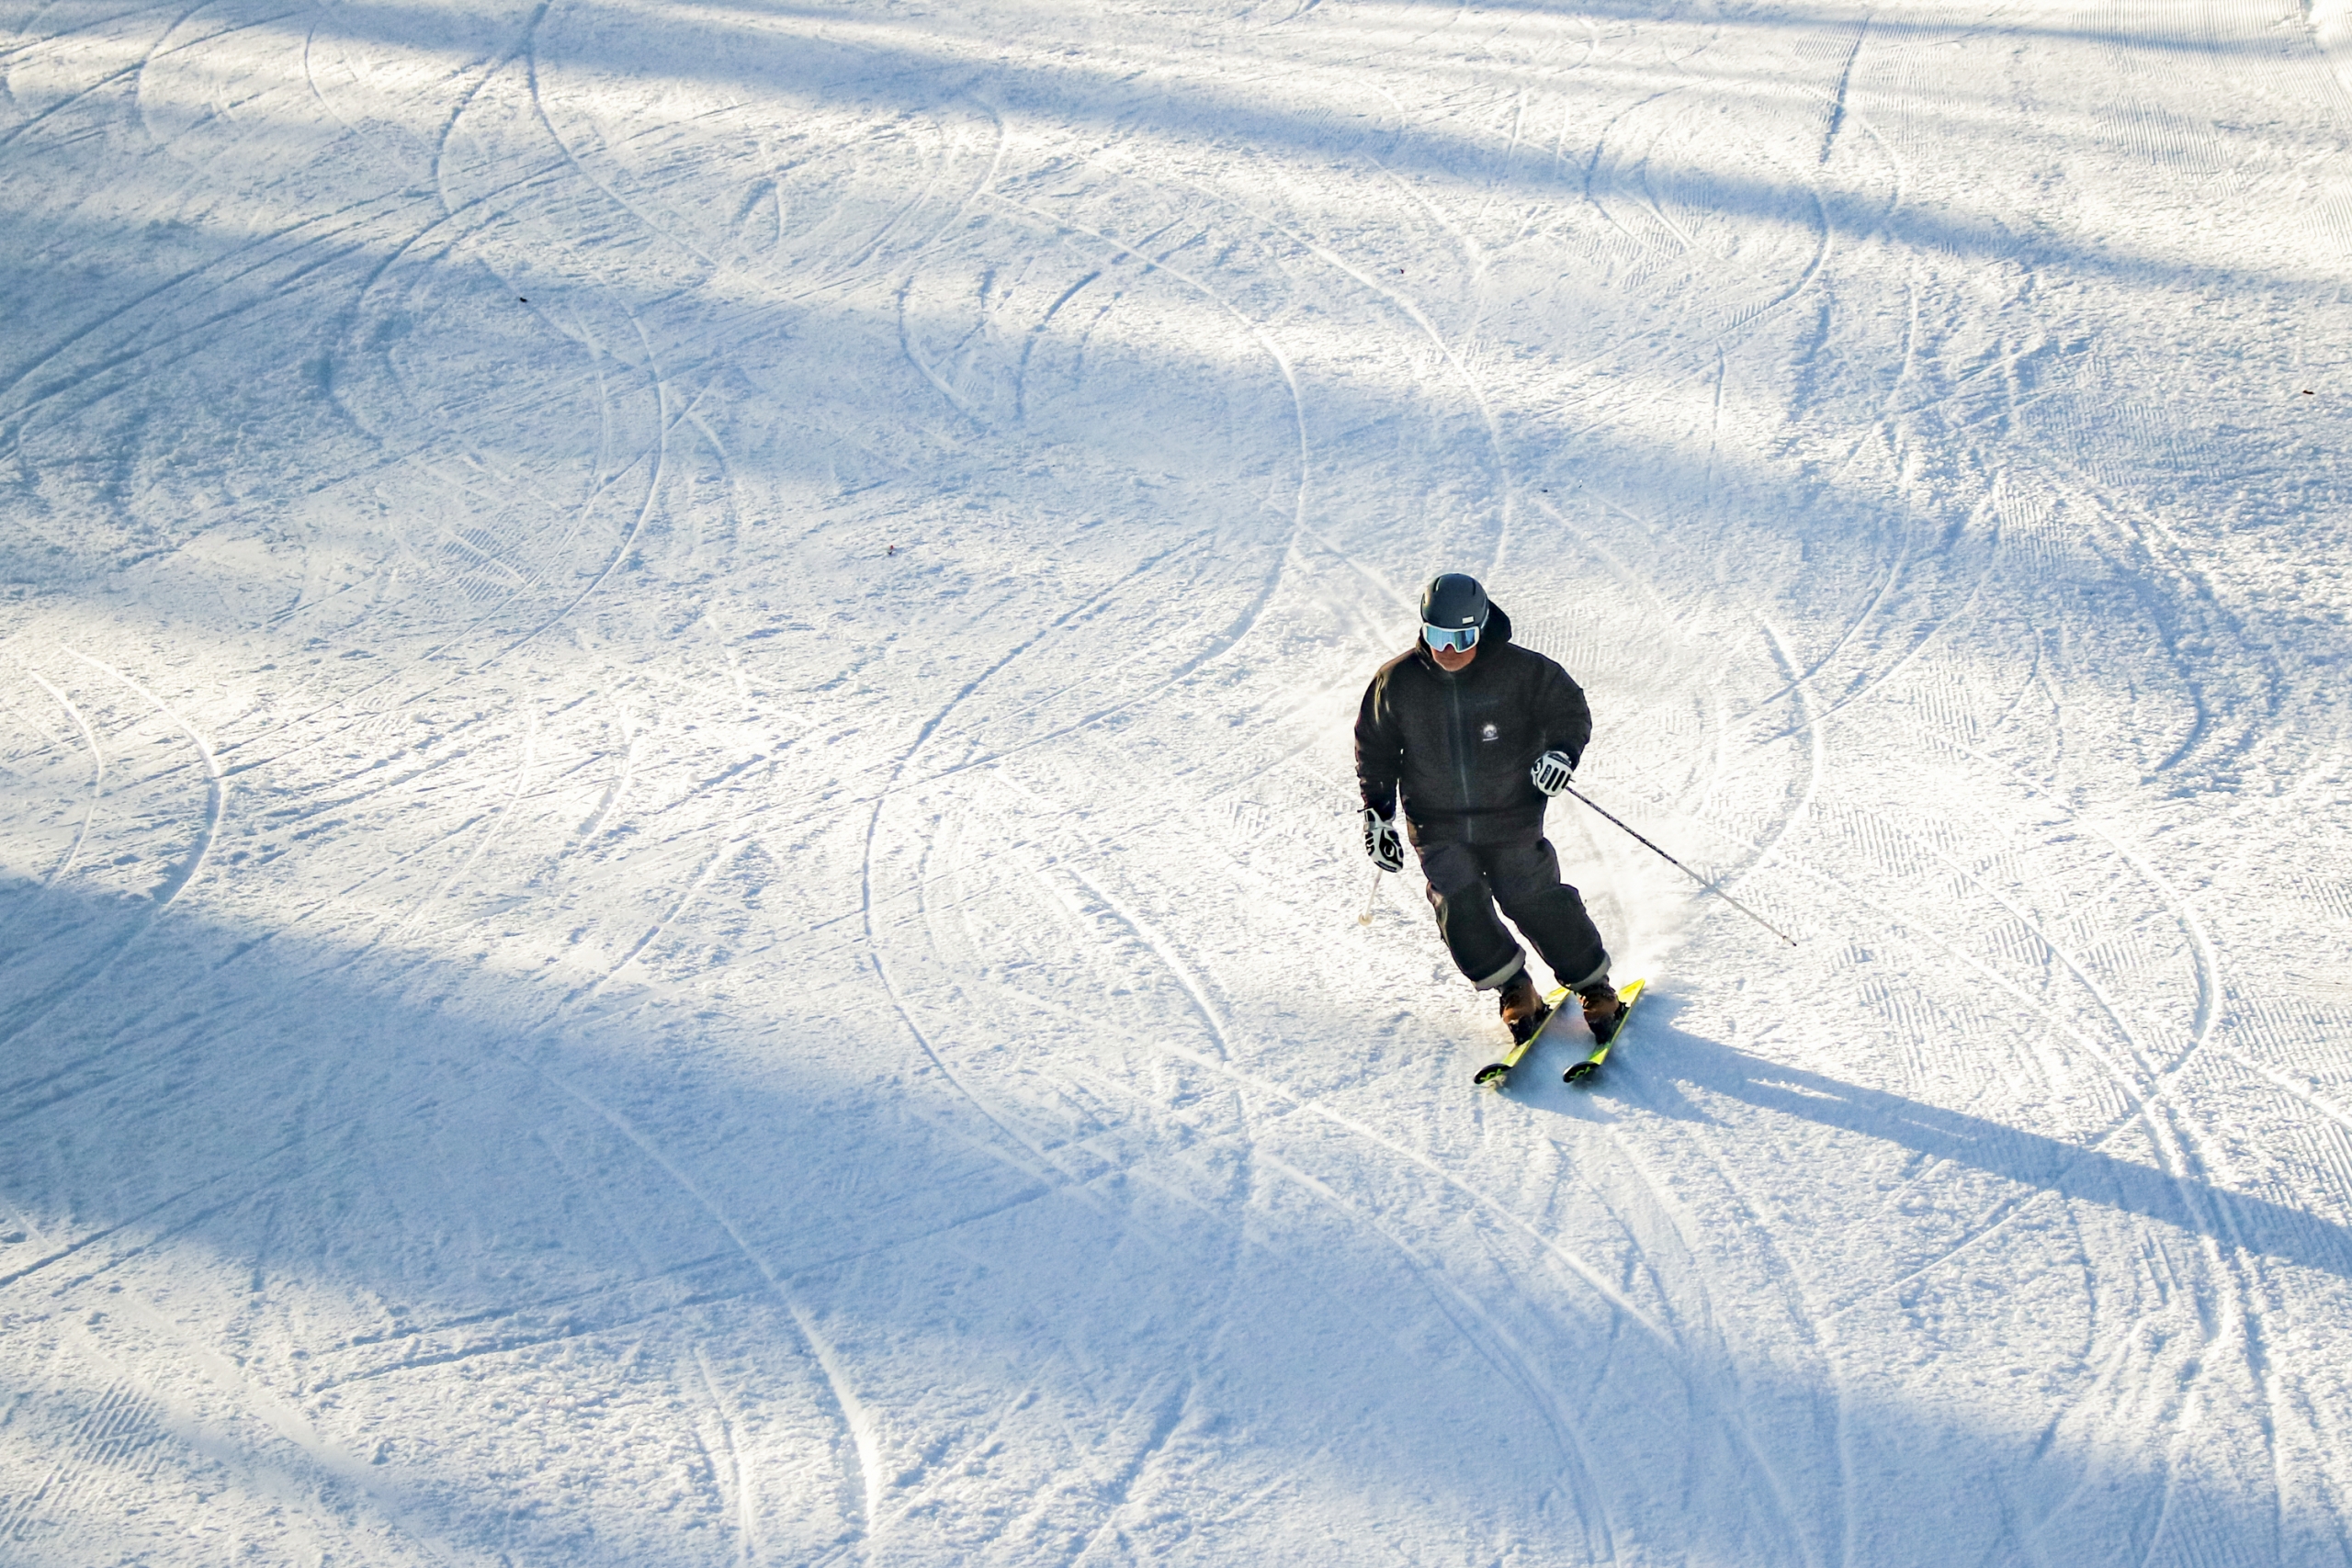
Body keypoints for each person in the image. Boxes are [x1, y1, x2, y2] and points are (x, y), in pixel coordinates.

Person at [1354, 572, 1624, 1043]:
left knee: (1530, 892)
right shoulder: (1396, 682)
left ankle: (1592, 984)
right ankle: (1514, 987)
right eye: (1436, 636)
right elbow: (1374, 749)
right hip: (1436, 821)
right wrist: (1377, 814)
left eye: (1461, 637)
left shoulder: (1522, 672)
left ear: (1480, 627)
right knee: (1457, 901)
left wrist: (1560, 753)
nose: (1448, 650)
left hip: (1511, 811)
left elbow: (1568, 709)